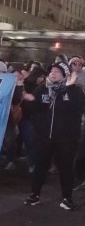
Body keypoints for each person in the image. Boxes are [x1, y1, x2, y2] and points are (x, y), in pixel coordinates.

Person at [25, 62, 85, 210]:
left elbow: (78, 107)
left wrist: (68, 88)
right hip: (44, 137)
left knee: (65, 168)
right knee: (40, 166)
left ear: (65, 75)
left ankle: (67, 198)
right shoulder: (42, 89)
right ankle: (34, 195)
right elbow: (32, 109)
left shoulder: (74, 91)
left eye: (57, 72)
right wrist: (29, 101)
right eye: (51, 71)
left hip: (66, 139)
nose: (53, 74)